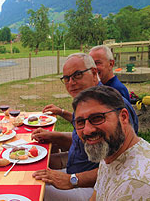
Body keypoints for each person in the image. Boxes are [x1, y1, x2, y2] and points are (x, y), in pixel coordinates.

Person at [31, 53, 138, 201]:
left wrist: (71, 180)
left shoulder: (112, 105)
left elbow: (119, 166)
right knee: (32, 168)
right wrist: (54, 136)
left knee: (35, 190)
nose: (71, 83)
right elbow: (83, 140)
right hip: (75, 170)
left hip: (92, 186)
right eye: (66, 78)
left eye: (77, 75)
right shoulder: (86, 102)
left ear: (94, 73)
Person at [72, 86, 150, 200]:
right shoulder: (111, 151)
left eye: (97, 118)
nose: (87, 130)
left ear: (123, 117)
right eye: (80, 122)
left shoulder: (134, 185)